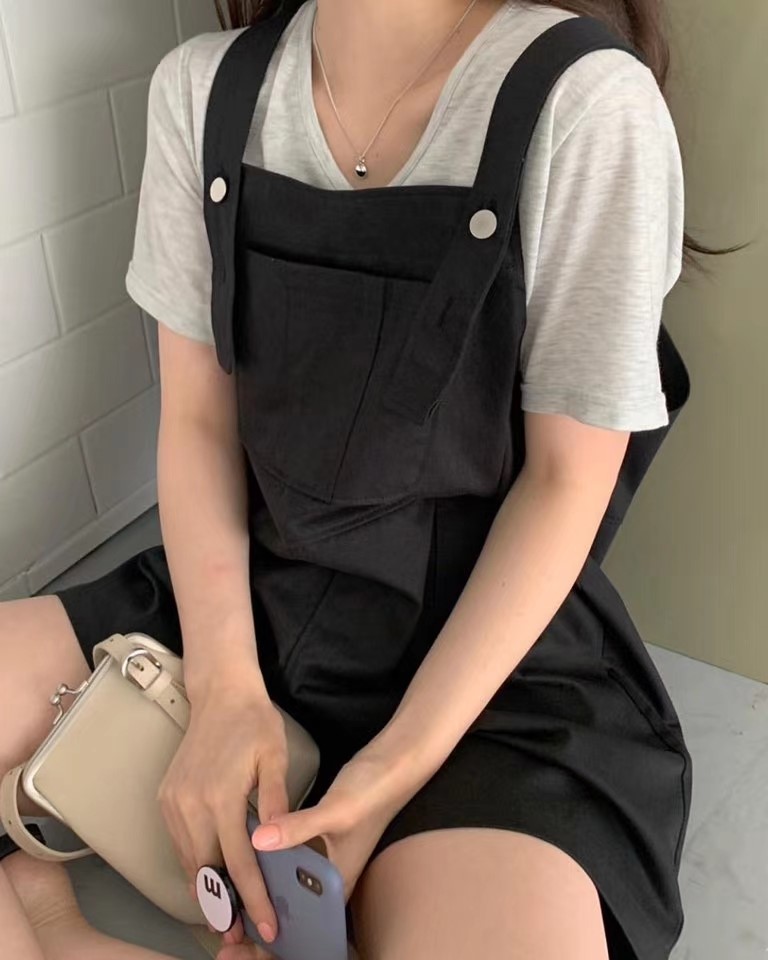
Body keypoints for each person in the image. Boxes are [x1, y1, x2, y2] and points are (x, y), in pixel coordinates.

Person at [2, 0, 724, 957]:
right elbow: (199, 424)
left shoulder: (588, 102)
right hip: (238, 601)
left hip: (486, 673)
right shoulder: (201, 88)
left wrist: (389, 773)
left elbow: (565, 485)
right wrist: (223, 689)